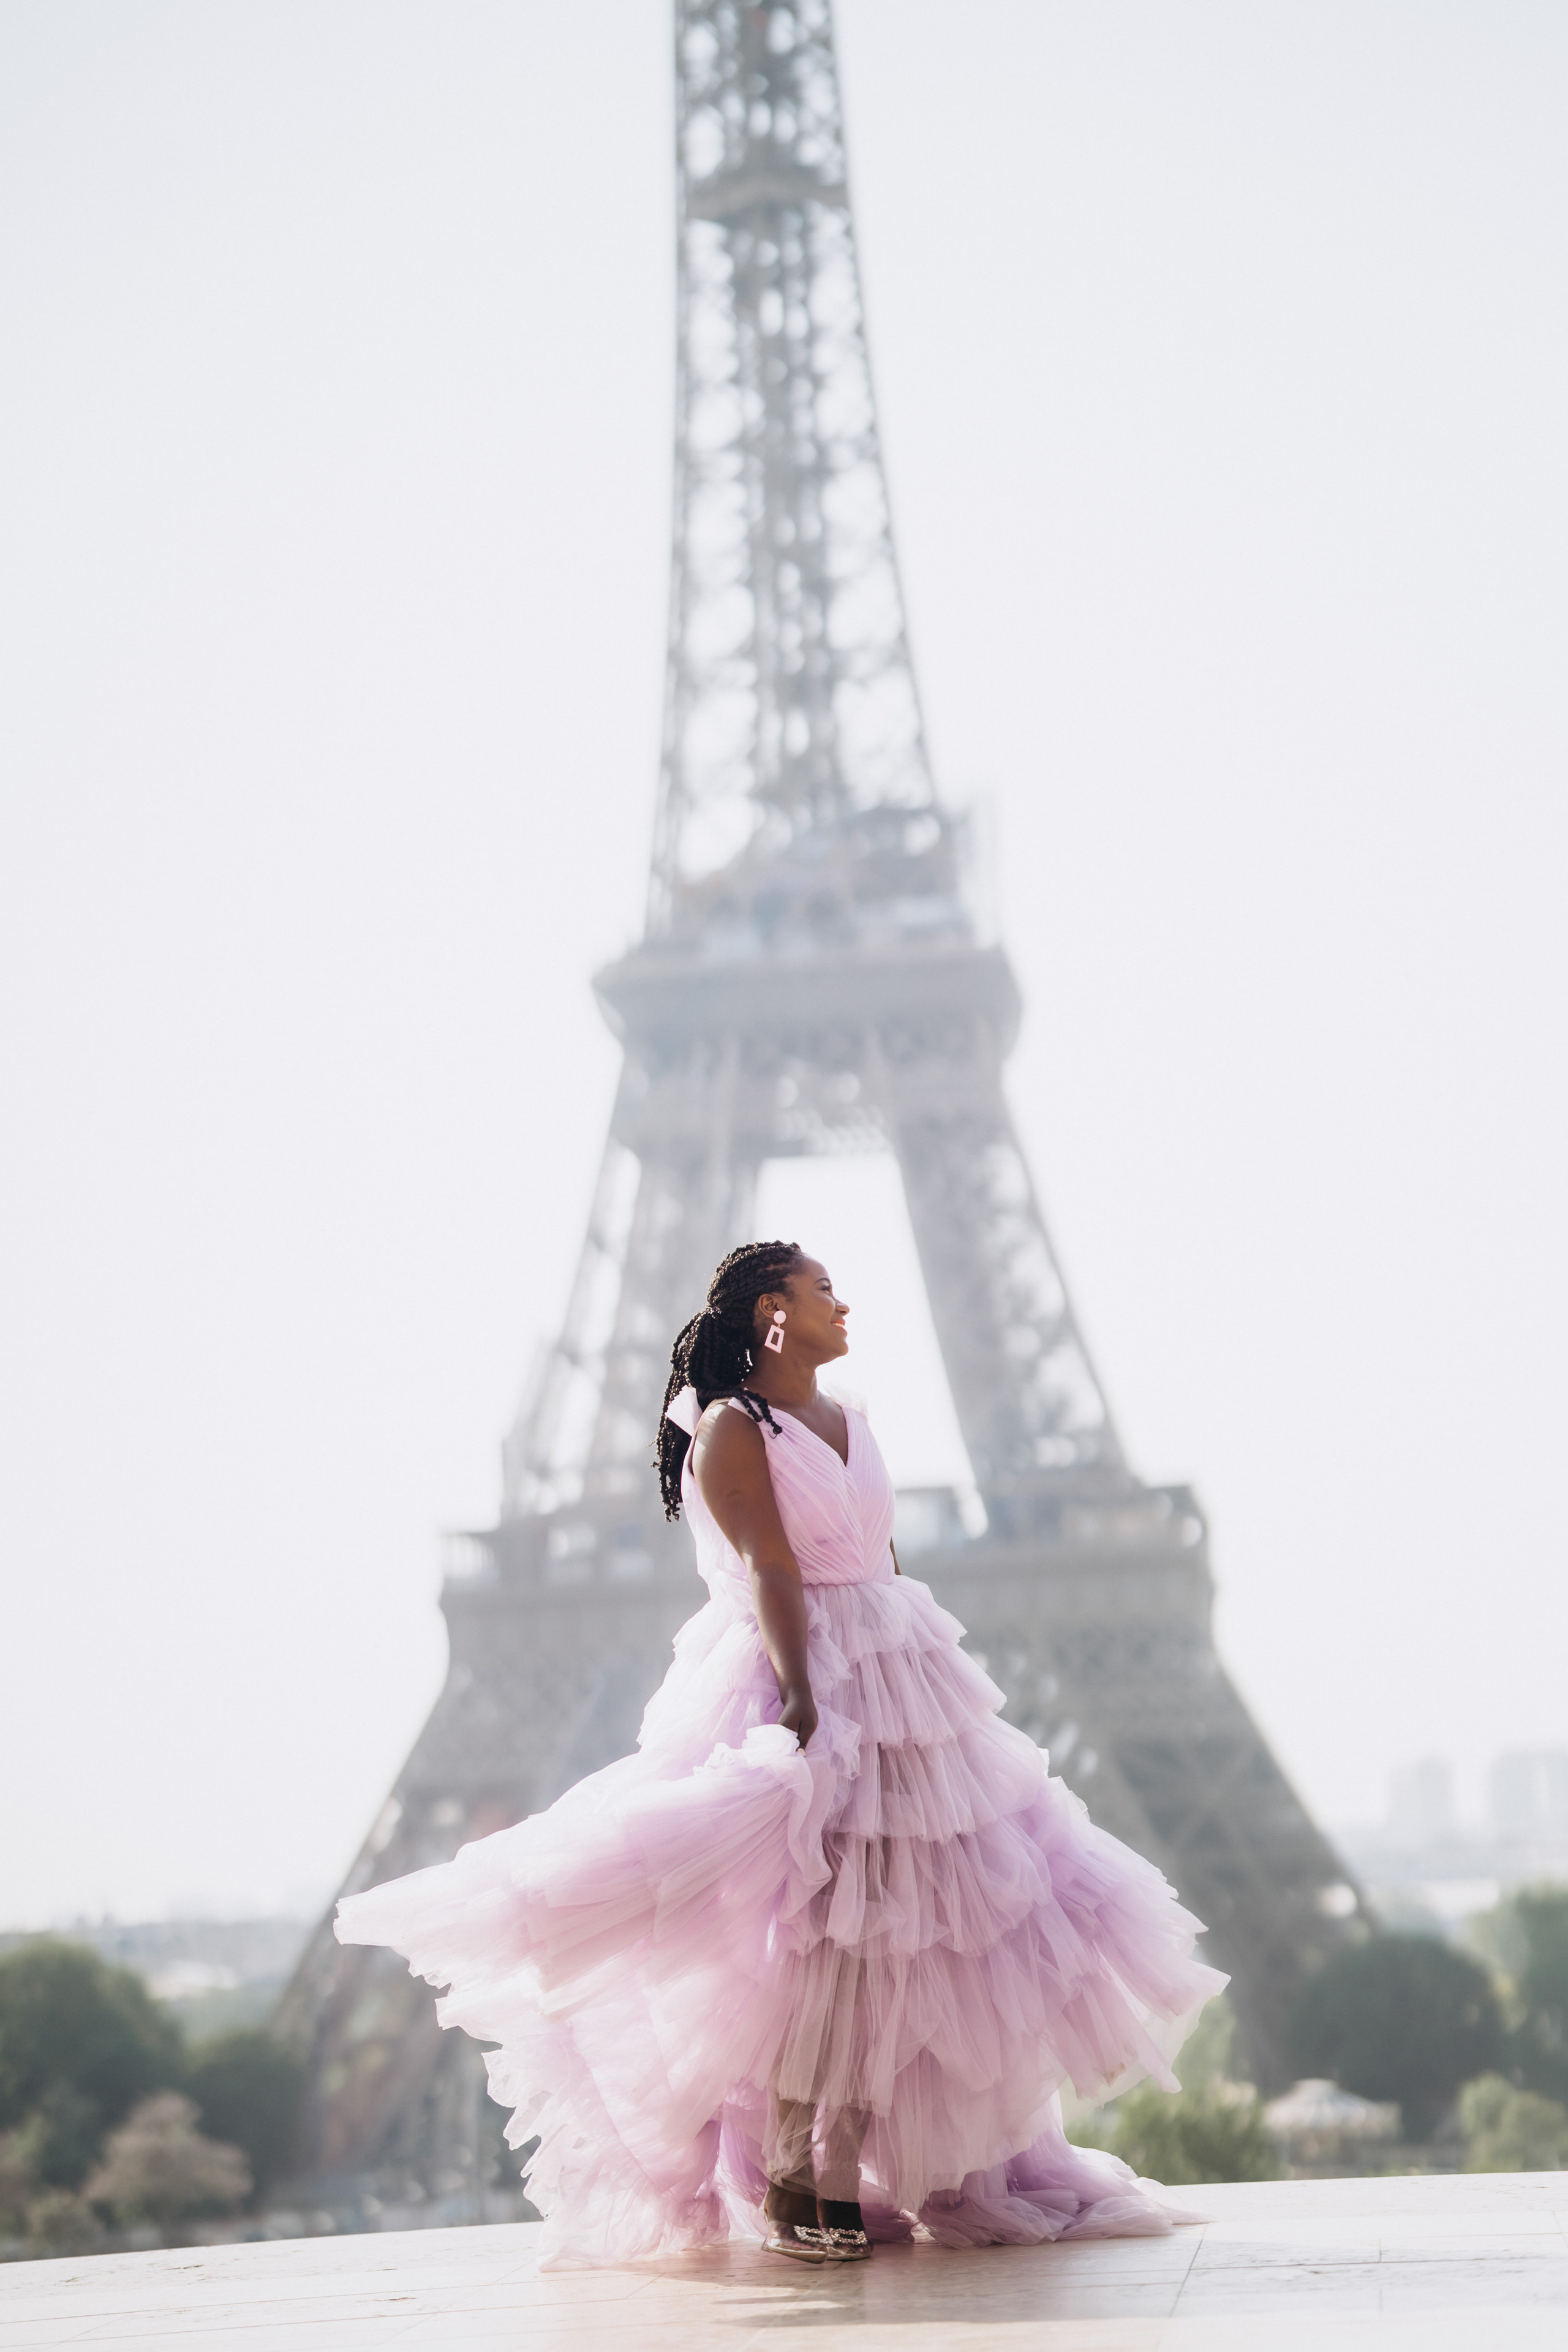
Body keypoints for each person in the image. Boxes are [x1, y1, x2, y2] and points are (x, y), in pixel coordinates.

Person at [336, 1239, 1226, 2267]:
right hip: (798, 1681)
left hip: (898, 1676)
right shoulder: (728, 1429)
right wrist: (803, 1697)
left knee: (900, 1941)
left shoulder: (854, 1422)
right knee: (820, 1944)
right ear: (771, 1311)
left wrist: (915, 1683)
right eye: (822, 1292)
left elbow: (880, 1558)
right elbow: (768, 1566)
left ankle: (846, 2164)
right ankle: (805, 2175)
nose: (843, 1306)